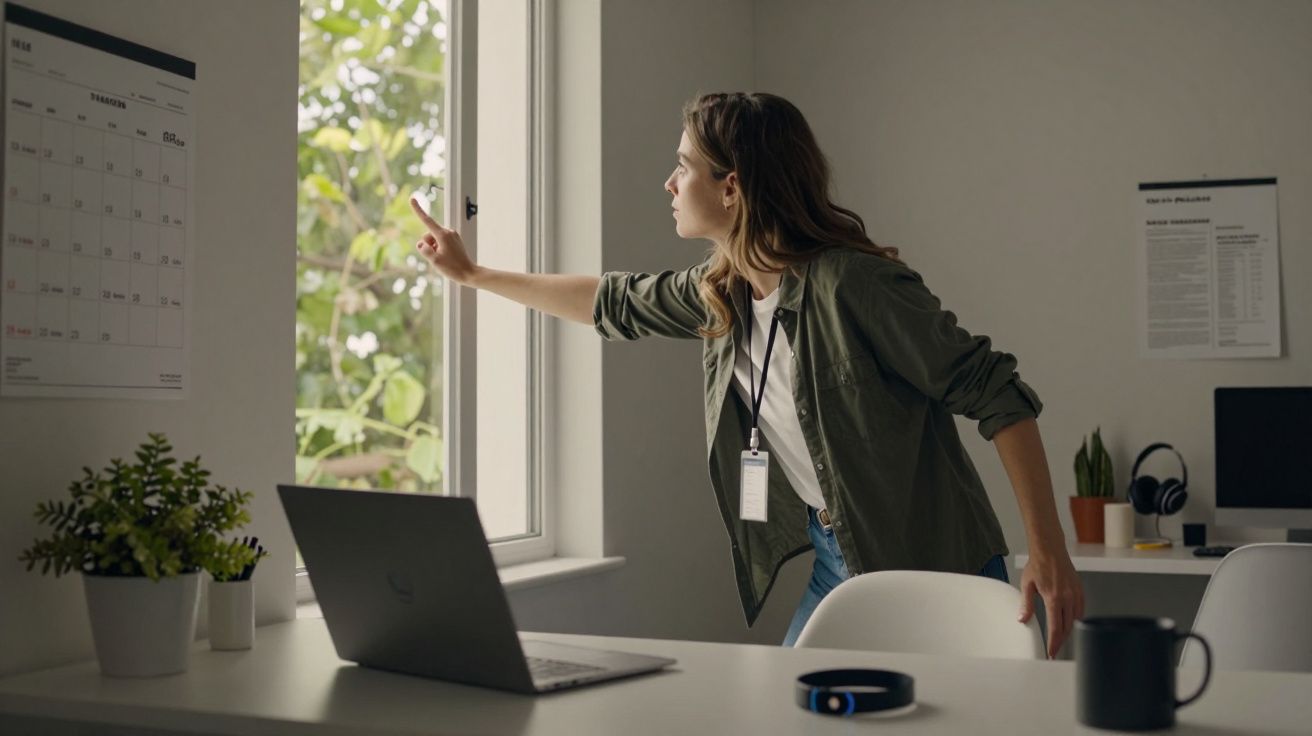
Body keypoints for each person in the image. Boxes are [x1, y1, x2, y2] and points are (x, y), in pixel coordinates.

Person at [408, 92, 1084, 657]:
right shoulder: (719, 295)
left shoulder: (856, 284)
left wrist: (1046, 552)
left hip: (938, 563)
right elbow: (610, 301)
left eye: (683, 168)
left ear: (732, 187)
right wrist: (471, 275)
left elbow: (997, 394)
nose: (669, 184)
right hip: (836, 560)